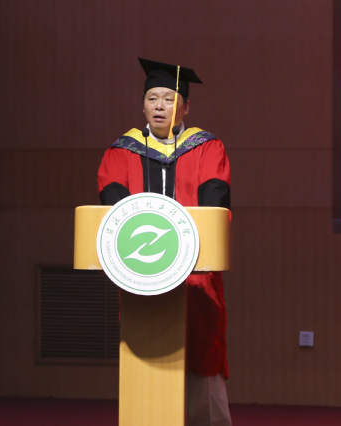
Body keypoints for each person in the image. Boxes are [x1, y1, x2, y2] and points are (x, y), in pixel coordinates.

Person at [97, 58, 232, 426]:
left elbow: (215, 206)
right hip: (143, 276)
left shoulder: (207, 148)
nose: (160, 106)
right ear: (142, 105)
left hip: (196, 277)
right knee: (147, 356)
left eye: (169, 99)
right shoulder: (121, 151)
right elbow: (113, 210)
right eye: (152, 98)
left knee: (202, 356)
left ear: (186, 107)